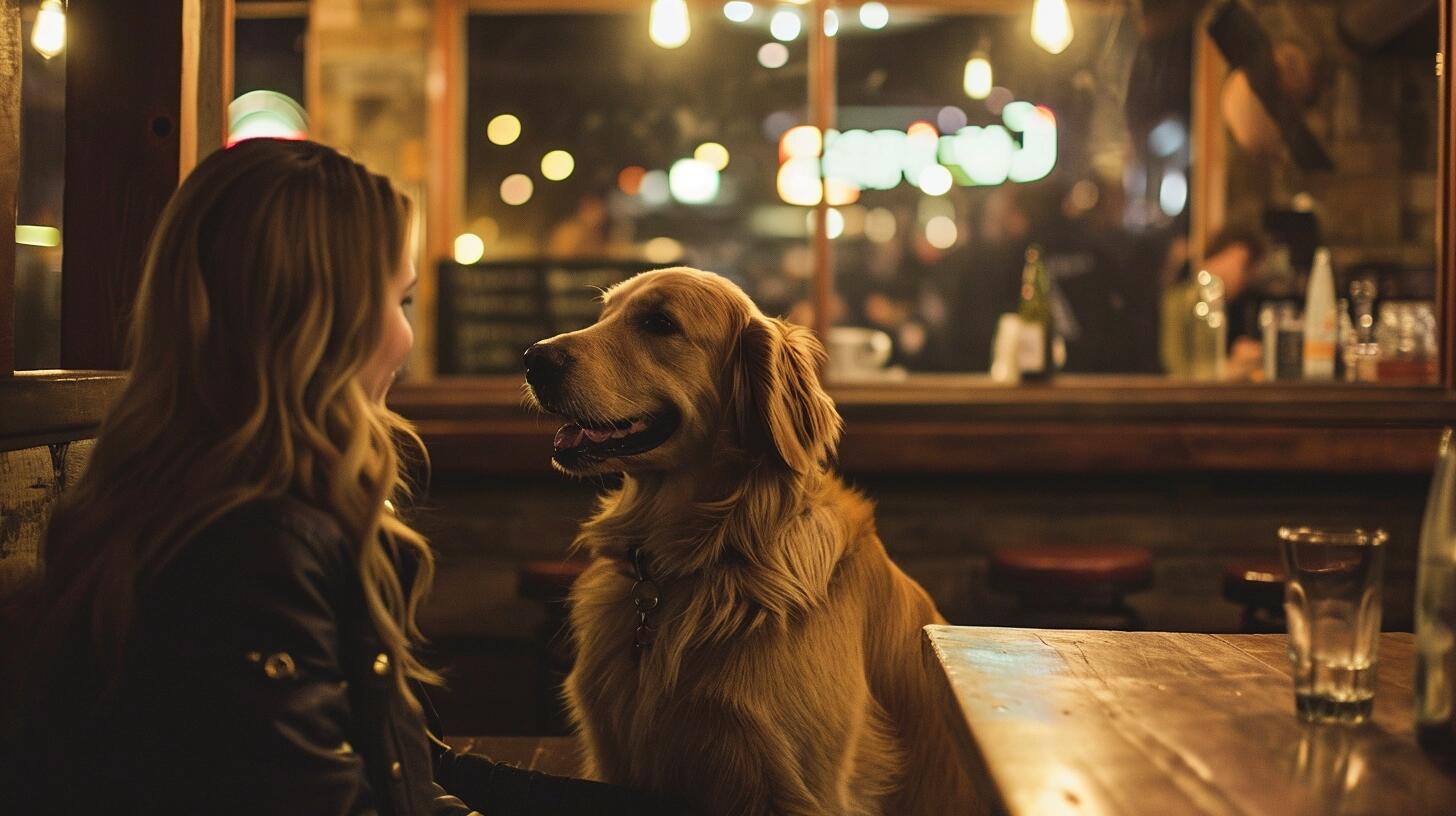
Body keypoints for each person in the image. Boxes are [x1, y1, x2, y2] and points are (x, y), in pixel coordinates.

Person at [0, 139, 677, 815]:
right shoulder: (254, 552)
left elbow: (411, 772)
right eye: (401, 303)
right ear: (321, 323)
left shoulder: (196, 504)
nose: (406, 341)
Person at [1159, 224, 1268, 380]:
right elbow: (1176, 371)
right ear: (1236, 254)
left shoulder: (1229, 303)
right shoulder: (1183, 297)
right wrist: (1232, 368)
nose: (1245, 281)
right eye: (1246, 269)